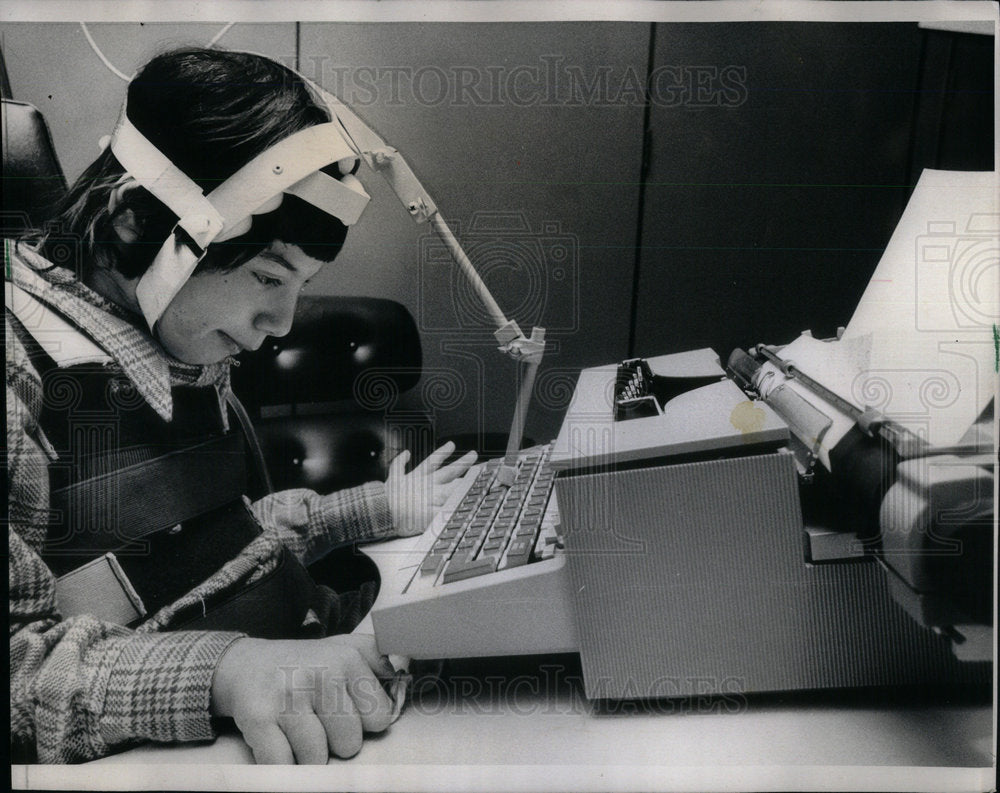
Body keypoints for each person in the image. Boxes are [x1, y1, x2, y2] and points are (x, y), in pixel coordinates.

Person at [7, 47, 476, 765]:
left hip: (320, 677)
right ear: (135, 222)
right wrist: (229, 670)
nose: (283, 323)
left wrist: (377, 508)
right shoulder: (21, 364)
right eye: (267, 275)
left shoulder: (166, 337)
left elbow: (208, 544)